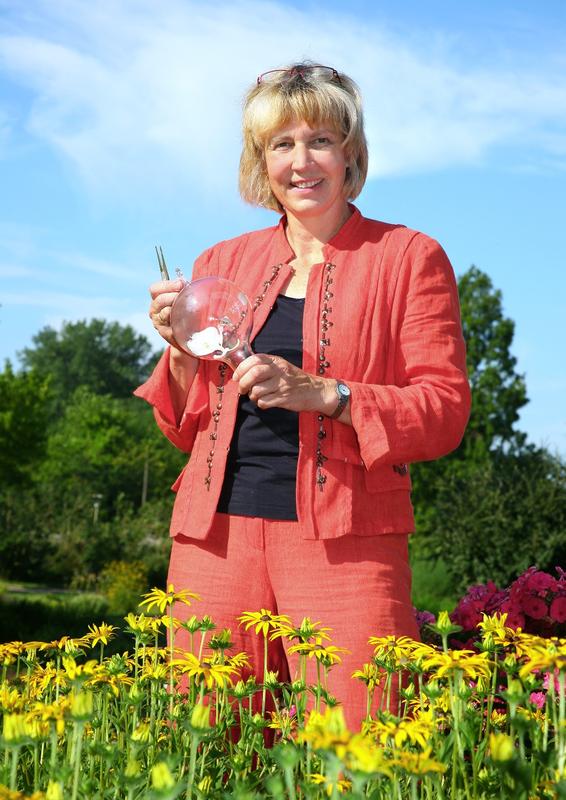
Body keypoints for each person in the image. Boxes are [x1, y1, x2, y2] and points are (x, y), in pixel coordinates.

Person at [135, 62, 471, 728]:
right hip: (214, 543)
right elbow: (183, 427)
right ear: (262, 161)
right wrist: (179, 348)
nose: (301, 161)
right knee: (205, 752)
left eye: (319, 140)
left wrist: (330, 394)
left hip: (347, 545)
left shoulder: (409, 257)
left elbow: (444, 411)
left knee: (357, 753)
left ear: (349, 151)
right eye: (280, 144)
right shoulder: (220, 263)